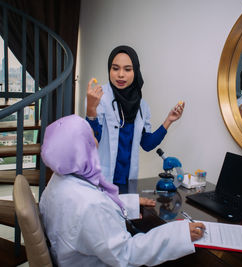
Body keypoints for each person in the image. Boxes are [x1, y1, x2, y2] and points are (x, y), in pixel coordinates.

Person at [39, 114, 205, 267]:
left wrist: (129, 203)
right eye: (91, 137)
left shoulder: (58, 180)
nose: (96, 142)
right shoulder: (91, 205)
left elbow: (89, 211)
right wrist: (179, 235)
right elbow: (127, 254)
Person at [86, 45, 184, 192]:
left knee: (127, 215)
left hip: (127, 180)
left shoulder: (142, 106)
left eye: (127, 69)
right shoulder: (99, 97)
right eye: (115, 68)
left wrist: (168, 120)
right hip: (102, 179)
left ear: (135, 71)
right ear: (109, 70)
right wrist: (91, 110)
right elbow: (91, 142)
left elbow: (147, 144)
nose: (120, 75)